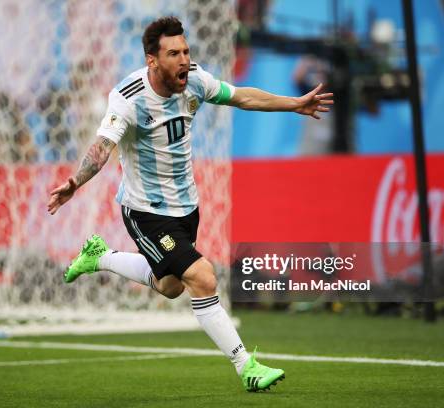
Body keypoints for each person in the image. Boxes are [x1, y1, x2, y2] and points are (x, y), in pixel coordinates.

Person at [47, 16, 333, 392]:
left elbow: (241, 95)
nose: (184, 59)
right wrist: (74, 183)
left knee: (170, 286)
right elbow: (103, 147)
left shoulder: (195, 79)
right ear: (152, 61)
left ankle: (100, 256)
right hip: (145, 211)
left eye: (185, 50)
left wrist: (292, 103)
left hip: (185, 207)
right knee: (203, 276)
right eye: (173, 53)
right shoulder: (128, 97)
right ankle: (245, 365)